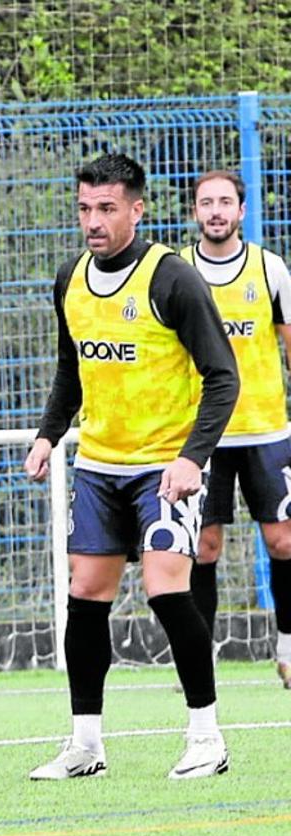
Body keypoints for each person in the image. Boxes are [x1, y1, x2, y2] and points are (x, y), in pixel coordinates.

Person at [23, 153, 239, 780]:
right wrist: (48, 435)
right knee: (85, 596)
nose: (93, 221)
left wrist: (191, 458)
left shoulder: (171, 279)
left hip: (162, 469)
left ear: (136, 210)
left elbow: (223, 377)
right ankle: (85, 746)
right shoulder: (70, 278)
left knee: (166, 588)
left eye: (107, 208)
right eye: (85, 208)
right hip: (97, 467)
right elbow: (73, 366)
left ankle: (207, 737)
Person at [180, 170, 291, 688]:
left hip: (267, 431)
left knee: (283, 542)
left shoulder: (269, 270)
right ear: (195, 211)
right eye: (207, 203)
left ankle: (288, 644)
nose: (217, 211)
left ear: (242, 210)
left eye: (226, 201)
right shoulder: (177, 272)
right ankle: (199, 660)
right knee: (204, 547)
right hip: (204, 436)